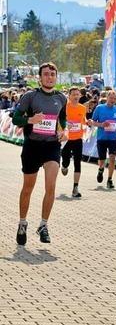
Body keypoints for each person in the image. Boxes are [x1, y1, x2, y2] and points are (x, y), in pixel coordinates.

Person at [12, 62, 67, 245]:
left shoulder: (61, 98)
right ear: (40, 77)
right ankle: (22, 222)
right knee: (28, 187)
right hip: (32, 146)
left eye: (52, 74)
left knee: (50, 186)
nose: (49, 77)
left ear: (56, 77)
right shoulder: (30, 96)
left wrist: (62, 130)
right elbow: (15, 118)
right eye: (46, 74)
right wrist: (30, 119)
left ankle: (43, 225)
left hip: (51, 146)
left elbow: (63, 118)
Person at [91, 90, 116, 189]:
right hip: (102, 138)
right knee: (102, 160)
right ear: (107, 98)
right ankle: (101, 169)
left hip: (113, 139)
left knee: (112, 158)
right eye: (111, 98)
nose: (113, 100)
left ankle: (110, 179)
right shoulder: (99, 108)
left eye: (115, 99)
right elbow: (92, 122)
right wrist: (101, 124)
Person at [60, 87, 87, 197]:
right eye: (74, 95)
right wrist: (66, 124)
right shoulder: (65, 107)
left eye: (78, 94)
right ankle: (64, 166)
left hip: (78, 138)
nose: (76, 96)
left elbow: (83, 121)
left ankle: (75, 188)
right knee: (65, 159)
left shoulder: (82, 108)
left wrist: (87, 122)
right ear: (69, 96)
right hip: (67, 139)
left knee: (77, 162)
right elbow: (60, 120)